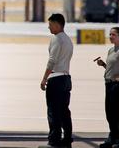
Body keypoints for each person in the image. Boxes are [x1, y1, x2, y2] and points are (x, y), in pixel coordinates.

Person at [39, 13, 73, 148]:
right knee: (64, 111)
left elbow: (51, 61)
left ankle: (54, 142)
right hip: (66, 78)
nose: (49, 27)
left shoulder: (57, 39)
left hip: (56, 79)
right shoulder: (68, 40)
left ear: (58, 25)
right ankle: (67, 140)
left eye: (50, 25)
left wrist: (44, 79)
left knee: (53, 112)